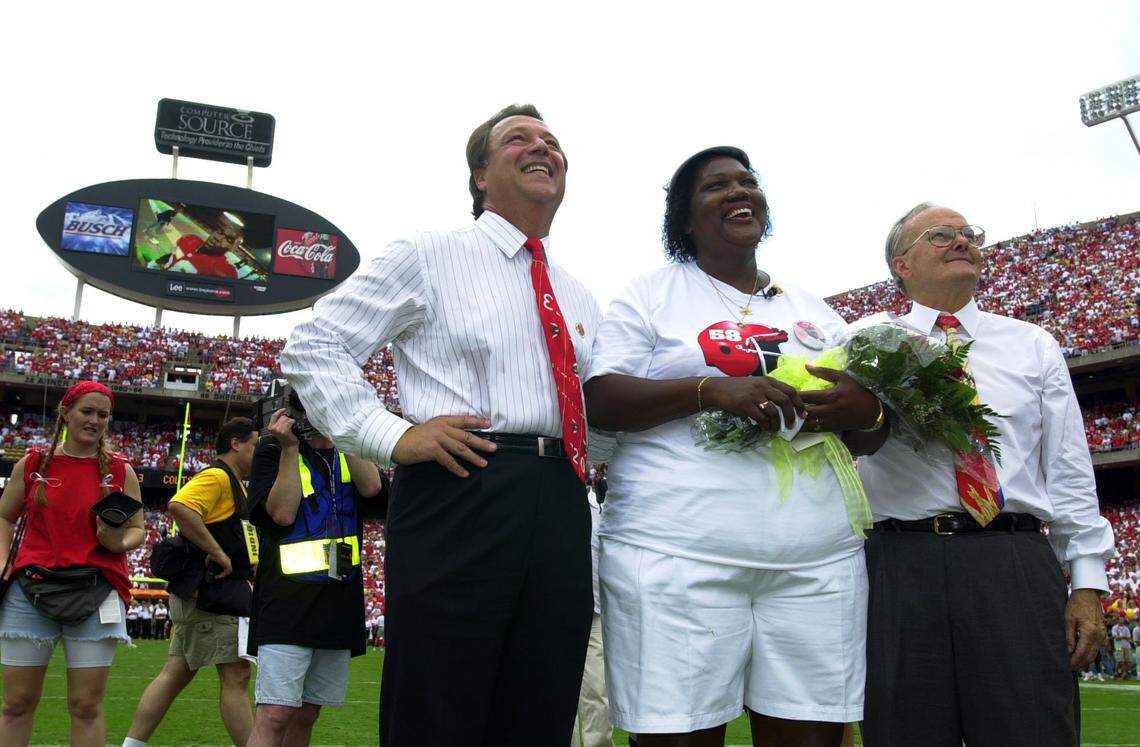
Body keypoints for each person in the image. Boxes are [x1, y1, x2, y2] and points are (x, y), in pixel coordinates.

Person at [280, 103, 600, 746]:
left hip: (563, 497)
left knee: (544, 699)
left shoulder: (578, 293)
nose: (543, 147)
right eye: (519, 138)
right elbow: (314, 343)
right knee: (438, 700)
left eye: (553, 141)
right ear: (480, 174)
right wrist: (392, 435)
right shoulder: (428, 254)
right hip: (464, 480)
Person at [583, 147, 883, 747]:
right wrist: (708, 390)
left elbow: (870, 436)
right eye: (715, 186)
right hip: (679, 556)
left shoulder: (814, 312)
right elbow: (601, 399)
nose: (737, 190)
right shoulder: (650, 295)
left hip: (815, 562)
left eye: (747, 181)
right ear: (686, 220)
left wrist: (867, 410)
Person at [857, 203, 1115, 745]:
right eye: (942, 235)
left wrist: (1087, 582)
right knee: (906, 730)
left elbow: (1068, 468)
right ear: (901, 265)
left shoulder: (1031, 343)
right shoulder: (865, 344)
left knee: (1032, 729)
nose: (963, 242)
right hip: (901, 564)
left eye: (970, 235)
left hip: (1012, 560)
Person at [0, 381, 145, 747]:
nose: (95, 421)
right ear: (65, 413)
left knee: (85, 706)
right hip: (29, 591)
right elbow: (3, 518)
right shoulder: (32, 464)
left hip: (97, 592)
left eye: (103, 415)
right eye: (87, 412)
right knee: (16, 703)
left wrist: (117, 542)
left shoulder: (119, 470)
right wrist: (3, 562)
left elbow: (138, 531)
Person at [245, 397, 385, 747]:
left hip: (338, 600)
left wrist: (346, 432)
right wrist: (289, 449)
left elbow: (373, 491)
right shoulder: (270, 451)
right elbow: (282, 514)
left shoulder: (347, 448)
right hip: (286, 601)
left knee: (308, 712)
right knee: (275, 713)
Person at [122, 418, 258, 747]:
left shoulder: (236, 482)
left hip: (208, 595)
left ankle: (132, 744)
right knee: (235, 675)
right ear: (236, 444)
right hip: (213, 595)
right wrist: (218, 552)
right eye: (255, 444)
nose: (259, 453)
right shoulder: (217, 476)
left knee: (176, 673)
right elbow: (179, 506)